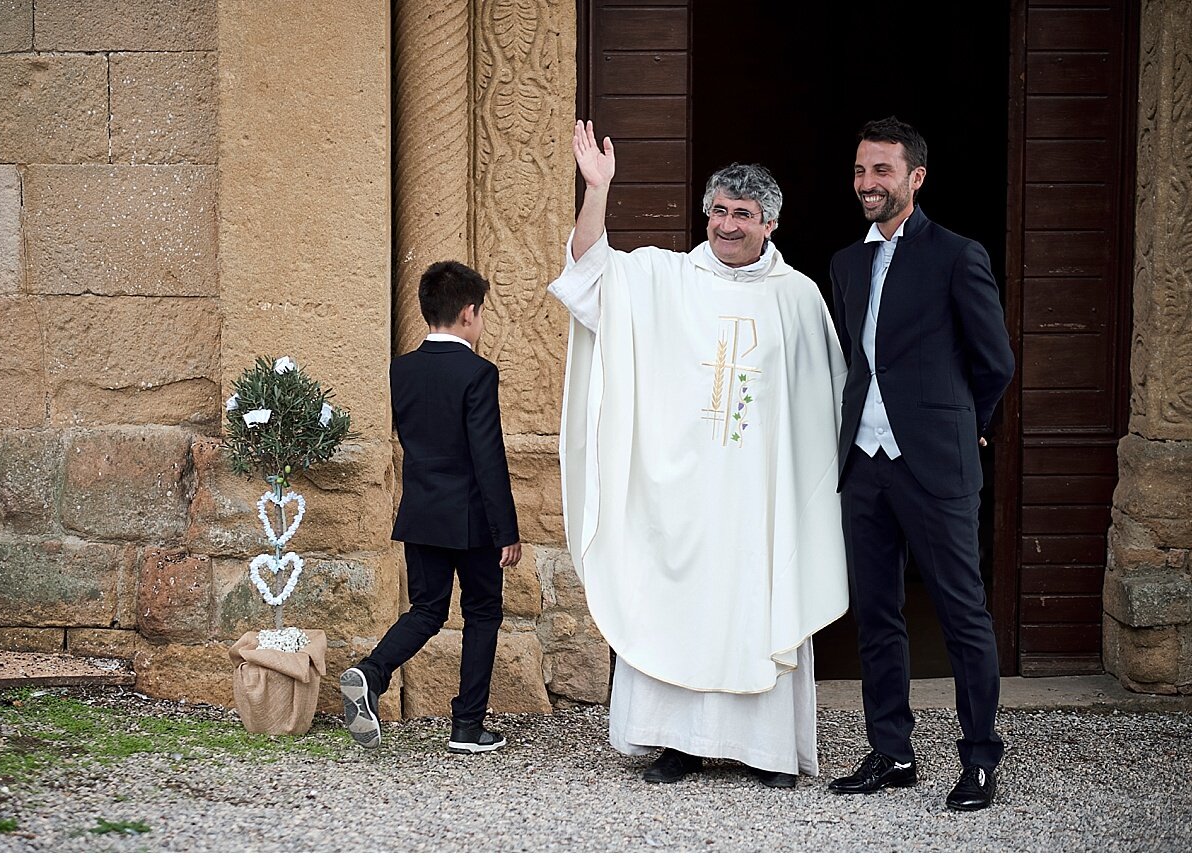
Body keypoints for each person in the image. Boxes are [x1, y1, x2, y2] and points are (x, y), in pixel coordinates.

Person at [549, 119, 849, 787]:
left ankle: (767, 752)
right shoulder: (665, 278)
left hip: (759, 501)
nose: (727, 225)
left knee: (756, 604)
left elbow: (825, 408)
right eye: (719, 210)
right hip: (680, 494)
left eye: (743, 214)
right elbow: (590, 277)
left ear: (769, 223)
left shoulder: (798, 300)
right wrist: (597, 189)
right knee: (676, 604)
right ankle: (676, 745)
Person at [826, 117, 1015, 811]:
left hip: (935, 463)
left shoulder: (957, 254)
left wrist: (969, 428)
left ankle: (981, 759)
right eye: (860, 171)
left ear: (915, 178)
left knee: (964, 615)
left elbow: (995, 361)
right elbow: (858, 361)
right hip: (864, 465)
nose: (868, 183)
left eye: (882, 170)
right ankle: (892, 751)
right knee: (876, 614)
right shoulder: (846, 262)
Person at [340, 260, 522, 754]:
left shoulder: (403, 368)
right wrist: (506, 528)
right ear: (469, 313)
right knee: (482, 613)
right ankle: (467, 727)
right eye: (481, 314)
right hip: (472, 519)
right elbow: (487, 455)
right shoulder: (479, 373)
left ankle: (371, 672)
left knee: (426, 609)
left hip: (421, 511)